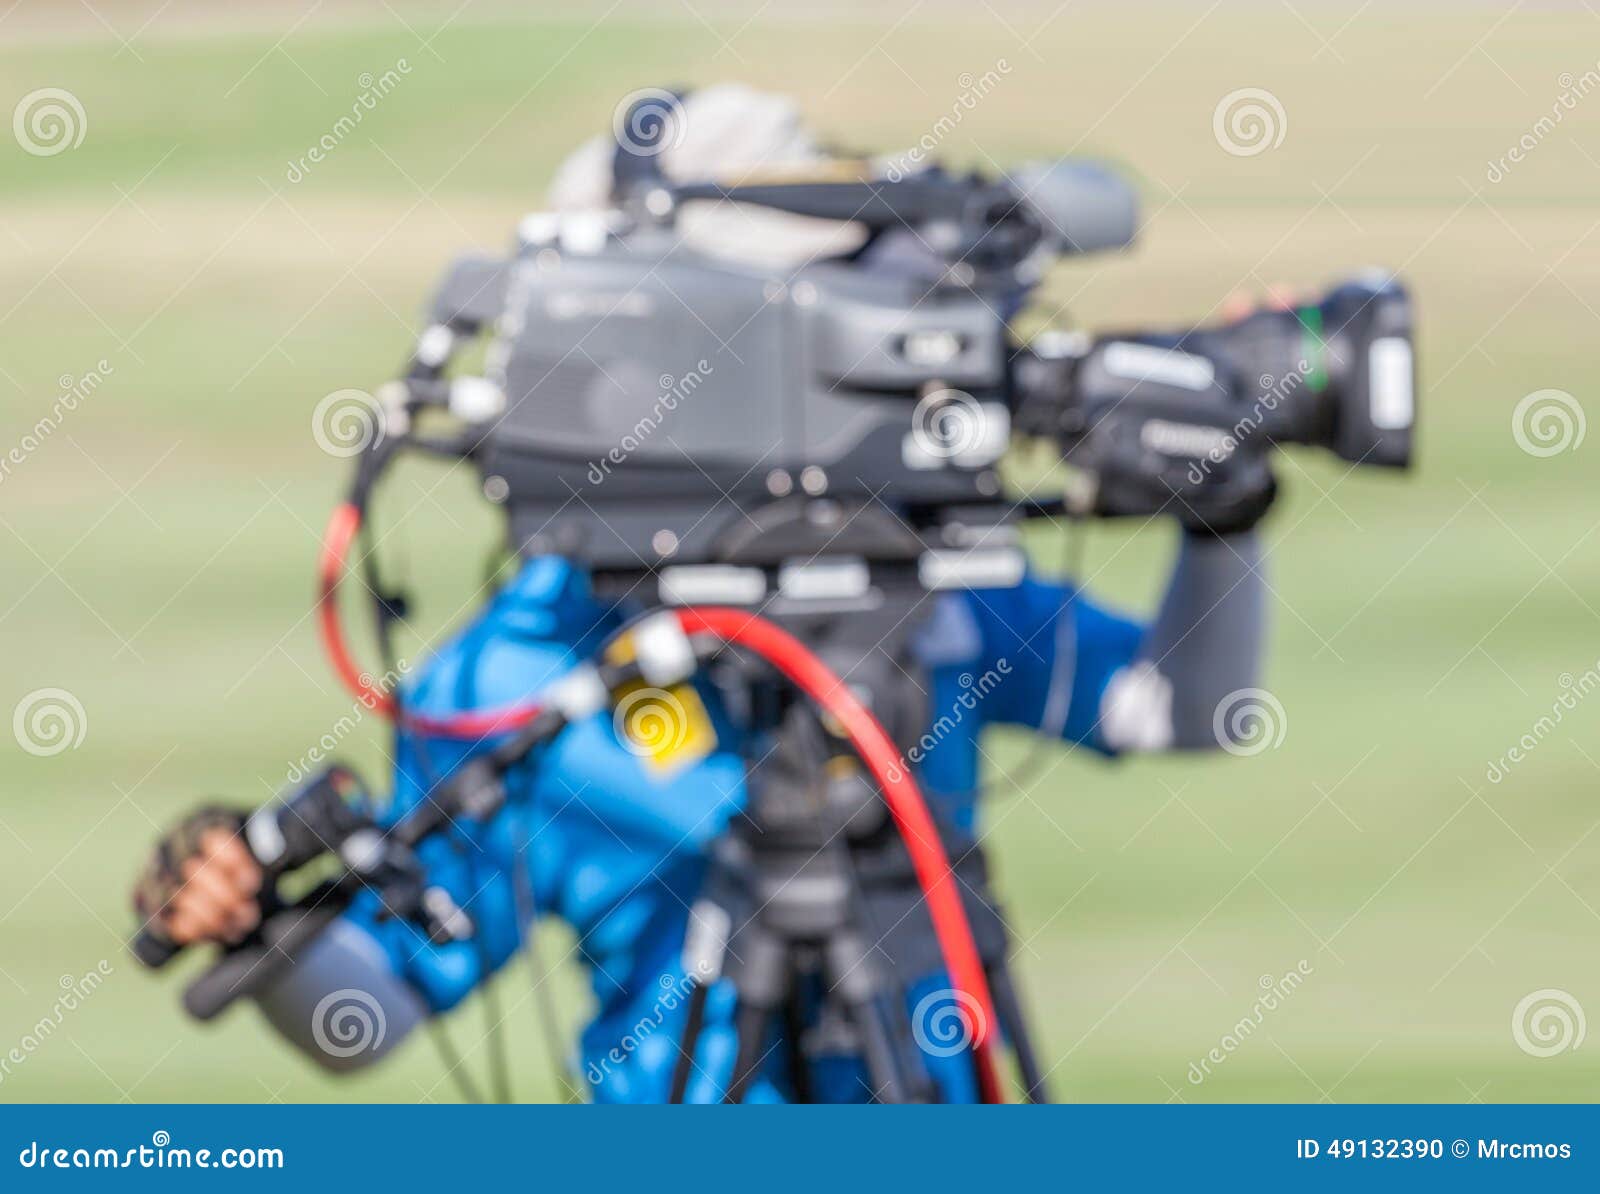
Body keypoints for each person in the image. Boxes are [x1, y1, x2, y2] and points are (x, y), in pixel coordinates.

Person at [130, 87, 1277, 1103]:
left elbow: (1184, 709)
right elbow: (365, 1018)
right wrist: (261, 927)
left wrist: (1225, 513)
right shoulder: (523, 669)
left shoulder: (907, 583)